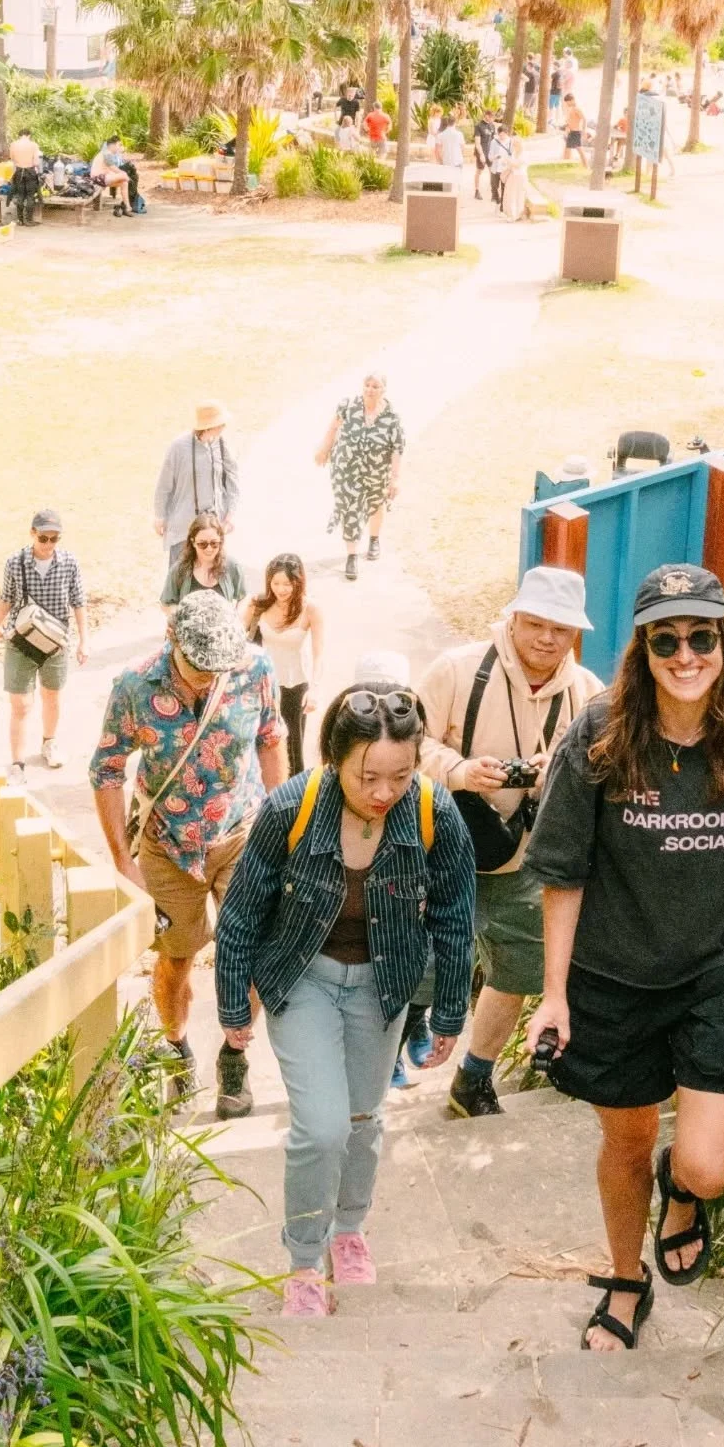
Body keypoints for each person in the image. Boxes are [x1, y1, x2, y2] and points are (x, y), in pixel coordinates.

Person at [524, 563, 724, 1354]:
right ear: (644, 648)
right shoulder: (598, 735)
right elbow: (564, 874)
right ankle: (627, 1280)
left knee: (709, 1164)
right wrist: (553, 995)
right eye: (668, 639)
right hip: (613, 975)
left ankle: (684, 1193)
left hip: (717, 972)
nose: (686, 655)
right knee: (624, 1141)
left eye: (702, 637)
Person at [214, 681, 475, 1316]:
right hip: (302, 977)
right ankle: (304, 1258)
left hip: (383, 985)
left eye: (400, 774)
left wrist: (447, 1010)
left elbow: (455, 915)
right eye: (367, 777)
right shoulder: (290, 808)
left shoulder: (434, 811)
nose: (384, 792)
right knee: (322, 1126)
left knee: (363, 1119)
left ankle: (349, 1230)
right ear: (334, 760)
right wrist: (231, 1005)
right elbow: (244, 911)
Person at [90, 591, 287, 1116]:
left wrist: (280, 822)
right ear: (172, 640)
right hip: (168, 846)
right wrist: (123, 864)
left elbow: (270, 738)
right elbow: (106, 770)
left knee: (248, 953)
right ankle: (176, 1049)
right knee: (175, 958)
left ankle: (234, 1057)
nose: (207, 677)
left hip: (242, 834)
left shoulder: (254, 668)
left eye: (217, 667)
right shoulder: (135, 685)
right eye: (198, 666)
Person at [418, 566, 602, 1120]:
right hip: (445, 851)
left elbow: (605, 775)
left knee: (520, 971)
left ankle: (474, 1076)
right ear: (513, 617)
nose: (547, 639)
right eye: (536, 623)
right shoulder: (456, 669)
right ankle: (378, 1074)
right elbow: (401, 748)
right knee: (418, 969)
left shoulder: (589, 694)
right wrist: (459, 770)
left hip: (528, 861)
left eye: (561, 629)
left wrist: (561, 774)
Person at [0, 509, 89, 782]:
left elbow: (79, 602)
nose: (48, 544)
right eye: (43, 538)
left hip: (55, 640)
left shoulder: (69, 562)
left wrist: (84, 640)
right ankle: (17, 762)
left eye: (54, 538)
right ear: (32, 534)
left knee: (52, 696)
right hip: (21, 639)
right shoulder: (15, 562)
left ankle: (50, 742)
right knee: (20, 704)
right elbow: (6, 597)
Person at [315, 372, 405, 581]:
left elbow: (397, 449)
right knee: (350, 508)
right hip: (346, 470)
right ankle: (352, 555)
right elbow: (333, 427)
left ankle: (374, 539)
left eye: (375, 386)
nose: (370, 390)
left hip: (376, 471)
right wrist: (324, 449)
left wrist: (395, 478)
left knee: (375, 504)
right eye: (367, 385)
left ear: (383, 390)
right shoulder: (348, 406)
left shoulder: (392, 417)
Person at [249, 552, 325, 776]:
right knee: (260, 743)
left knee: (292, 750)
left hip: (294, 686)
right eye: (276, 583)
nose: (281, 589)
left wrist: (315, 689)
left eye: (287, 583)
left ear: (298, 582)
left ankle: (294, 802)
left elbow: (319, 653)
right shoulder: (260, 604)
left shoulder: (310, 609)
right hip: (262, 684)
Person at [154, 402, 240, 557]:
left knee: (210, 578)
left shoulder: (221, 445)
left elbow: (232, 481)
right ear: (208, 426)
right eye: (220, 423)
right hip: (183, 528)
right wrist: (160, 516)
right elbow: (164, 485)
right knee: (180, 578)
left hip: (213, 529)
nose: (224, 427)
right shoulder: (179, 447)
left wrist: (230, 514)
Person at [160, 512, 248, 616]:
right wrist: (181, 617)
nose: (209, 549)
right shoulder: (180, 569)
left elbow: (243, 597)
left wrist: (236, 618)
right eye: (202, 544)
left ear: (221, 541)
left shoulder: (232, 566)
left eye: (214, 543)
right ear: (193, 542)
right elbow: (166, 603)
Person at [7, 129, 42, 226]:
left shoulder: (13, 145)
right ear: (29, 135)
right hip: (30, 171)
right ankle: (29, 220)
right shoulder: (33, 145)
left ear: (20, 135)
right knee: (30, 196)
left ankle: (20, 220)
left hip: (18, 171)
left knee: (20, 195)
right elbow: (36, 162)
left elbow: (12, 158)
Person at [90, 135, 133, 215]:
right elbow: (113, 168)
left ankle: (127, 207)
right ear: (113, 145)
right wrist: (124, 174)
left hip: (103, 178)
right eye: (118, 145)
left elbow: (111, 169)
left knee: (124, 182)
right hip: (98, 178)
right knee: (124, 176)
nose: (119, 147)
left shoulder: (108, 153)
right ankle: (126, 205)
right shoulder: (107, 153)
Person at [500, 135, 530, 222]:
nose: (513, 146)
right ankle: (511, 214)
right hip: (513, 175)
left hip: (520, 176)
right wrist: (506, 163)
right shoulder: (514, 153)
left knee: (518, 195)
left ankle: (515, 215)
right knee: (510, 195)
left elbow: (518, 165)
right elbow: (512, 164)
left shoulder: (524, 154)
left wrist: (508, 161)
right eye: (513, 144)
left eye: (515, 144)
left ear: (520, 144)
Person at [436, 115, 467, 191]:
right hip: (458, 160)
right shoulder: (459, 134)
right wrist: (461, 156)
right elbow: (463, 148)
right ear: (455, 122)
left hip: (446, 160)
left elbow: (438, 150)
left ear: (447, 123)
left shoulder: (441, 135)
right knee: (457, 182)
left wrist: (440, 161)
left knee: (447, 182)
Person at [472, 111, 497, 198]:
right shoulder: (478, 126)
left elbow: (494, 141)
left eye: (493, 117)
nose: (492, 119)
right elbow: (477, 143)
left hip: (490, 153)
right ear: (486, 116)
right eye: (491, 117)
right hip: (481, 152)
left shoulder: (492, 126)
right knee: (479, 172)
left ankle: (494, 192)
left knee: (492, 171)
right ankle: (477, 191)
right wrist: (481, 154)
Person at [488, 124, 513, 207]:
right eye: (500, 135)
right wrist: (495, 157)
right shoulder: (494, 142)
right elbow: (490, 156)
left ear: (507, 133)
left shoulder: (511, 142)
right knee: (494, 187)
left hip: (505, 169)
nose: (501, 137)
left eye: (503, 135)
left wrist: (507, 161)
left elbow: (513, 156)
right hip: (495, 168)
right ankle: (497, 200)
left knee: (504, 188)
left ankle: (502, 206)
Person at [562, 96, 585, 161]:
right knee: (567, 150)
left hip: (575, 132)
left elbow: (584, 119)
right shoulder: (571, 109)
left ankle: (586, 166)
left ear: (572, 100)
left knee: (580, 151)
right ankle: (565, 165)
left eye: (568, 103)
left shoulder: (577, 109)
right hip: (571, 132)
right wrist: (567, 126)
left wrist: (583, 130)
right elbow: (570, 120)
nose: (567, 104)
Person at [548, 62, 563, 127]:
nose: (553, 67)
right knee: (557, 106)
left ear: (556, 66)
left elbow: (549, 80)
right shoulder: (561, 72)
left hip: (553, 92)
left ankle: (551, 119)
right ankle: (557, 119)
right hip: (559, 91)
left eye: (553, 65)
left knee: (551, 106)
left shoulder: (555, 74)